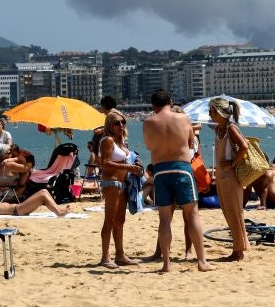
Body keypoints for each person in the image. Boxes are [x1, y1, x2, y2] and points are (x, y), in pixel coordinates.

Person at [143, 89, 212, 272]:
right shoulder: (183, 119)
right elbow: (190, 142)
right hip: (181, 168)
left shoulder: (149, 122)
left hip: (160, 170)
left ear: (153, 105)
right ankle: (201, 261)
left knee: (164, 219)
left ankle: (166, 263)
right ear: (171, 102)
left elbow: (150, 145)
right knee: (192, 215)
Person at [97, 112, 143, 269]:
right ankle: (105, 257)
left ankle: (120, 254)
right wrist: (128, 167)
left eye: (123, 122)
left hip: (124, 183)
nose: (121, 125)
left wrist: (135, 162)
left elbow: (125, 159)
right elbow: (104, 163)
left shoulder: (122, 142)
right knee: (109, 220)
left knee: (120, 220)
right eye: (117, 123)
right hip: (111, 183)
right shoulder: (107, 140)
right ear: (109, 124)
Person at [210, 96, 249, 262]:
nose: (210, 114)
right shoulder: (219, 129)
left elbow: (244, 147)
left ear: (220, 112)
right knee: (229, 212)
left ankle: (238, 251)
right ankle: (240, 246)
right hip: (221, 176)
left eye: (212, 111)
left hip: (230, 177)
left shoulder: (231, 128)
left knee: (234, 213)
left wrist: (233, 163)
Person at [0, 190, 69, 217]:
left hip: (19, 209)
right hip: (18, 210)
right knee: (42, 193)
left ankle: (59, 210)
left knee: (45, 192)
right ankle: (59, 213)